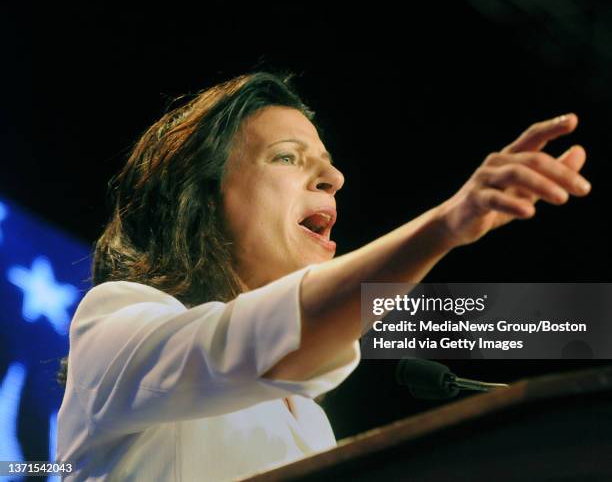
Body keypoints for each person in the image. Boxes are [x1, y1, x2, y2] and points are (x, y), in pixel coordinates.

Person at [56, 72, 590, 481]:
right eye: (287, 158)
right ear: (201, 198)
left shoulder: (310, 420)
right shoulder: (116, 326)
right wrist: (445, 225)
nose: (334, 178)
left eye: (329, 163)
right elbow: (257, 339)